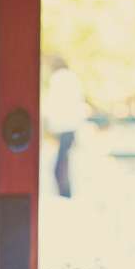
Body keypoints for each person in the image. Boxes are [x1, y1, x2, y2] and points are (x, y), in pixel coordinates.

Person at [44, 56, 87, 198]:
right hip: (71, 126)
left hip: (64, 126)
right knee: (64, 163)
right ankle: (65, 193)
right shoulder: (72, 78)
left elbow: (54, 104)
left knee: (60, 165)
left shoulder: (58, 78)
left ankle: (65, 194)